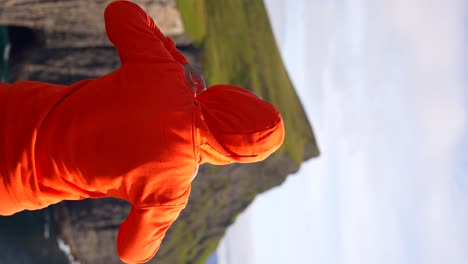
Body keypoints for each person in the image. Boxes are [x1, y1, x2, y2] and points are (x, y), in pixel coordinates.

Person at [0, 0, 285, 263]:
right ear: (232, 154)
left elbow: (119, 12)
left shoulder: (165, 75)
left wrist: (178, 63)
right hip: (9, 183)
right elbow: (131, 253)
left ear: (232, 97)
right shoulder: (172, 188)